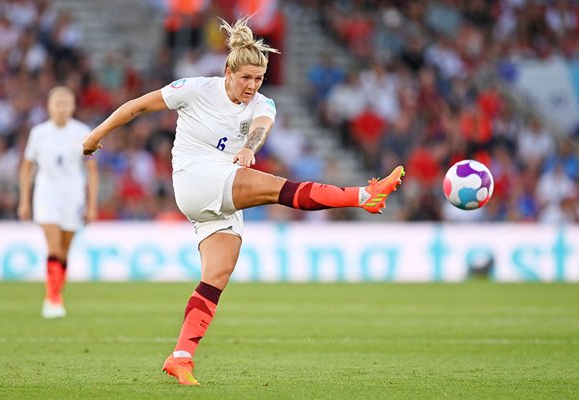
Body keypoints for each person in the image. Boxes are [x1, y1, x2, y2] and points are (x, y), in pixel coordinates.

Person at [82, 17, 404, 386]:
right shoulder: (196, 89)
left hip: (220, 194)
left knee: (215, 277)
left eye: (258, 79)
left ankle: (181, 356)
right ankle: (364, 195)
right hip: (195, 178)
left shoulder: (263, 103)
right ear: (228, 72)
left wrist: (250, 147)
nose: (251, 86)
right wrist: (95, 135)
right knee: (278, 189)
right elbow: (138, 106)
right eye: (245, 78)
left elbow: (261, 126)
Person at [18, 86, 99, 319]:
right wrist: (24, 200)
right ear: (49, 106)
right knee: (53, 246)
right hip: (46, 194)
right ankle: (52, 297)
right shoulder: (39, 133)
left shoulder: (83, 132)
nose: (62, 108)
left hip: (73, 196)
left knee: (64, 250)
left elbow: (92, 171)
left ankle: (55, 293)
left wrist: (92, 205)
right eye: (58, 103)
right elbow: (27, 167)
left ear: (73, 106)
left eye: (66, 103)